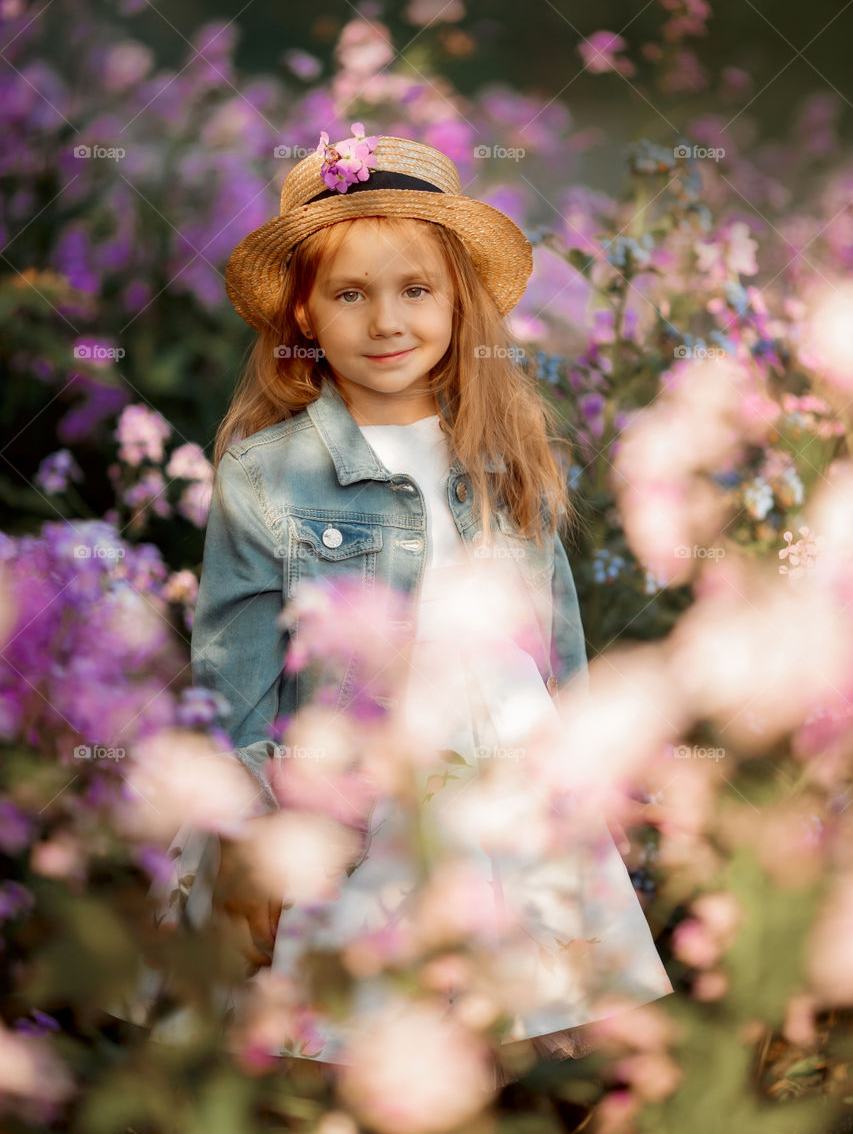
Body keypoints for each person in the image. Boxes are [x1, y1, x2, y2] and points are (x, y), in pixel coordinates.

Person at [113, 125, 674, 1085]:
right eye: (349, 294)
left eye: (415, 290)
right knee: (334, 1033)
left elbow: (555, 642)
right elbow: (232, 670)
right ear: (304, 310)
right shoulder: (267, 471)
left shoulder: (506, 456)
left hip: (505, 787)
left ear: (458, 300)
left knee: (510, 1034)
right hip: (350, 788)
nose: (385, 321)